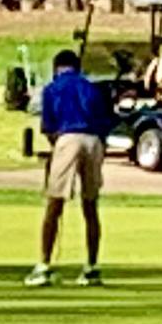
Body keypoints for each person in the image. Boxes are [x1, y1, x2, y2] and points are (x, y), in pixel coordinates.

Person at [26, 48, 112, 287]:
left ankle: (43, 265)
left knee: (54, 203)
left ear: (57, 67)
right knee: (90, 205)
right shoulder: (91, 87)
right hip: (94, 140)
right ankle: (91, 267)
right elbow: (105, 123)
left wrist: (57, 153)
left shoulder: (52, 88)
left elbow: (49, 127)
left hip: (68, 138)